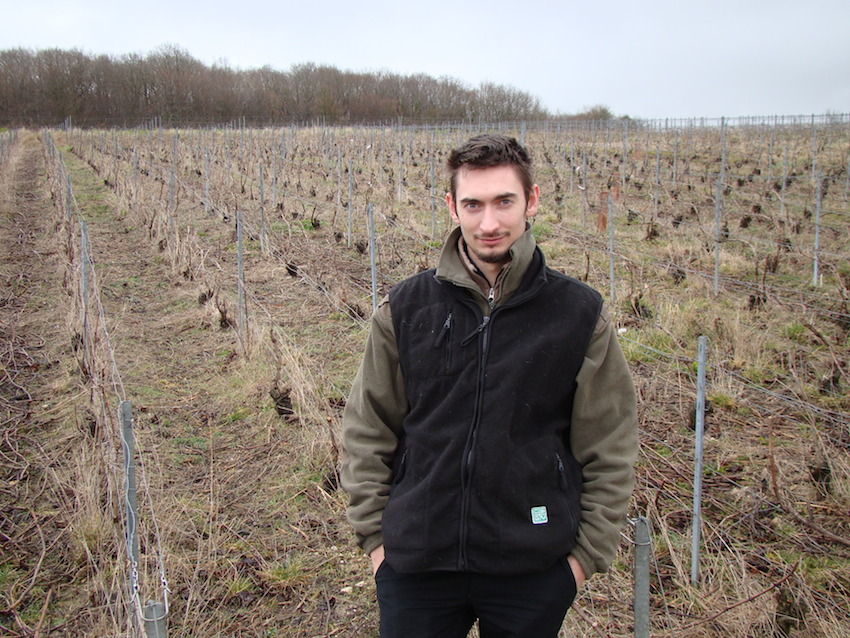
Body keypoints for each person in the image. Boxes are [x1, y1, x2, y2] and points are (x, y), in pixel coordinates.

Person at [341, 134, 638, 637]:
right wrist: (377, 544)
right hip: (417, 565)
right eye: (473, 205)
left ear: (533, 200)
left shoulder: (578, 314)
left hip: (532, 567)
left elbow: (609, 444)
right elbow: (368, 427)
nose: (490, 223)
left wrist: (582, 561)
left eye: (505, 201)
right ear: (452, 207)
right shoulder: (407, 309)